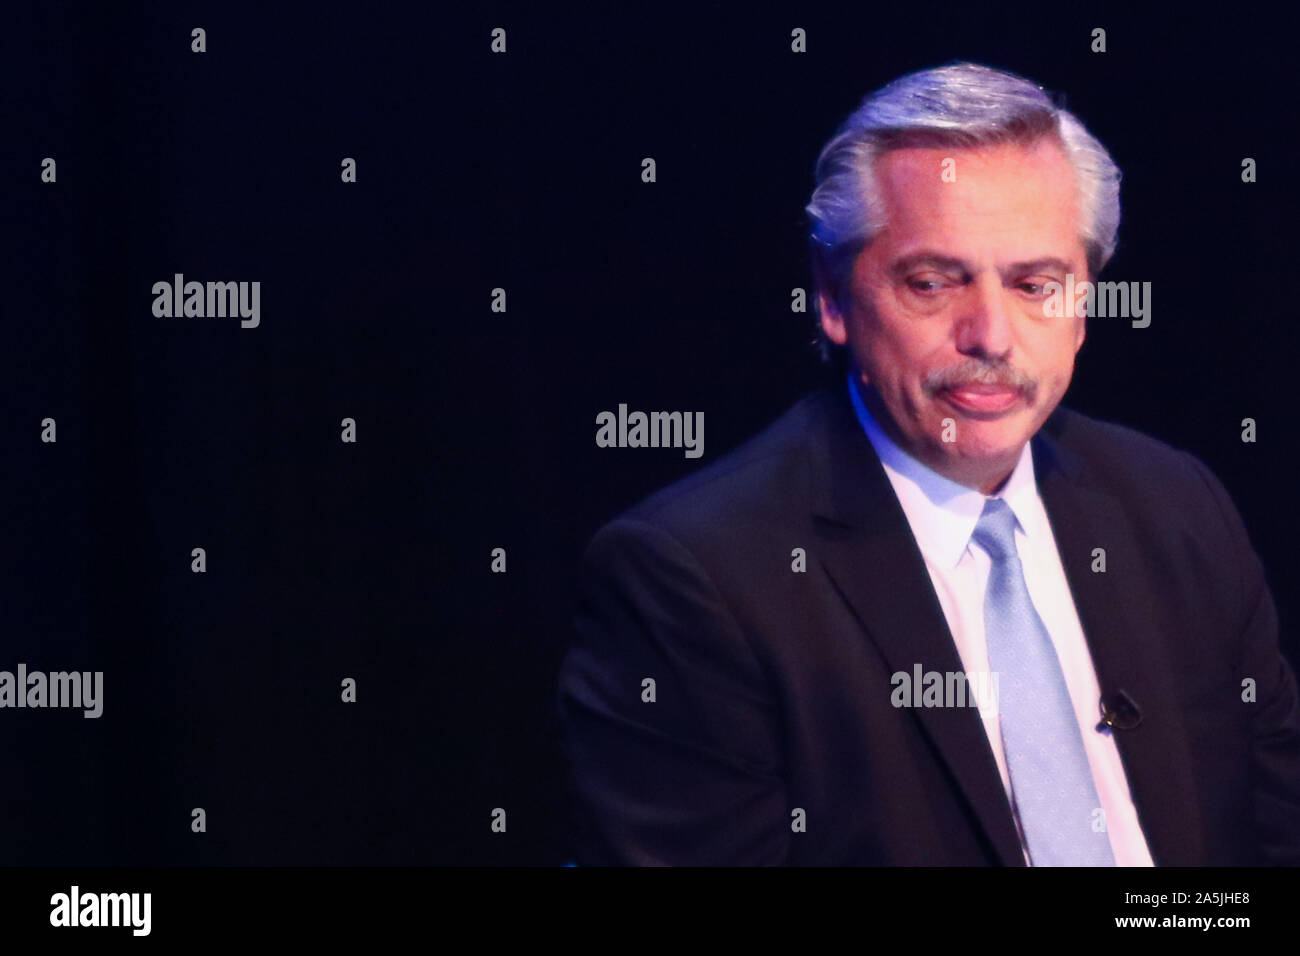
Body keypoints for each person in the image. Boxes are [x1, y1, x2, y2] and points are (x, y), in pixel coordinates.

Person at [556, 62, 1300, 865]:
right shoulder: (691, 579)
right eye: (932, 282)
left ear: (1084, 305)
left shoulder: (1176, 506)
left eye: (1035, 284)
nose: (991, 335)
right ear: (833, 299)